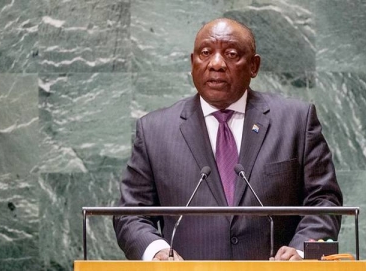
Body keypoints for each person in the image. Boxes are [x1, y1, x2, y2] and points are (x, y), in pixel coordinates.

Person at [113, 18, 342, 261]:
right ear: (192, 63)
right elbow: (131, 213)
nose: (217, 64)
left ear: (254, 66)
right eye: (205, 53)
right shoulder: (155, 130)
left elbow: (324, 201)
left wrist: (299, 252)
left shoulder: (296, 121)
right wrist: (156, 251)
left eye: (231, 54)